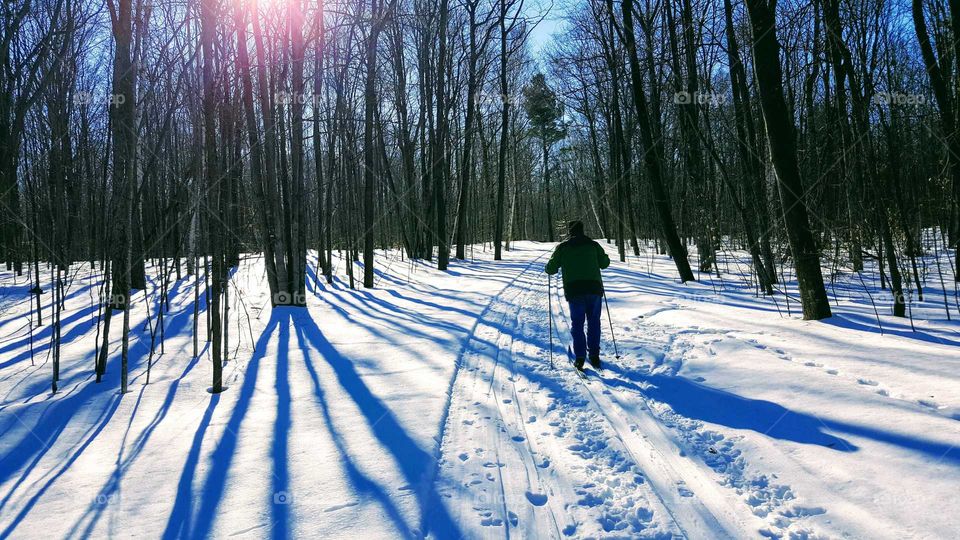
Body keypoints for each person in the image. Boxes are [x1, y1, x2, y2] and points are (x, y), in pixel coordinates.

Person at [544, 220, 610, 371]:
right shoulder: (593, 245)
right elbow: (605, 263)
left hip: (575, 291)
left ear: (570, 231)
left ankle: (580, 357)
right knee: (594, 322)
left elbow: (552, 269)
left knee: (577, 323)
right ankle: (594, 354)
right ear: (583, 230)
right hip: (594, 289)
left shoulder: (563, 247)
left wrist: (548, 267)